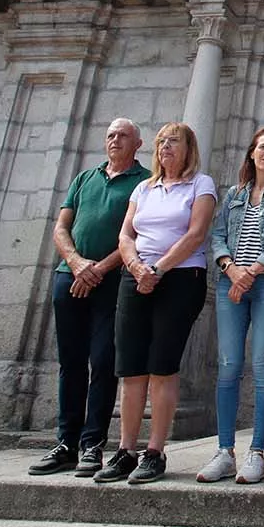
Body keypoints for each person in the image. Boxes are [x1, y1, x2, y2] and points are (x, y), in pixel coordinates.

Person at [94, 122, 215, 485]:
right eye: (161, 142)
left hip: (179, 279)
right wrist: (134, 265)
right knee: (130, 367)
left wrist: (158, 269)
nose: (165, 148)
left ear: (188, 148)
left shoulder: (200, 184)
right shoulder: (144, 187)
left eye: (173, 142)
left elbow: (196, 234)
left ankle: (155, 451)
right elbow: (126, 234)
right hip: (137, 277)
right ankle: (126, 450)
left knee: (162, 364)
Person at [29, 118, 150, 478]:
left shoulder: (143, 183)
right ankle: (65, 442)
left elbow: (138, 234)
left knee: (102, 362)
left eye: (123, 135)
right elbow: (61, 226)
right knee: (71, 363)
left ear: (138, 143)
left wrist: (98, 270)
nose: (115, 140)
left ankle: (92, 444)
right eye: (111, 135)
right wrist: (77, 263)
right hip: (69, 278)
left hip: (112, 283)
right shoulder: (85, 178)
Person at [196, 126, 264, 485]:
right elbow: (219, 234)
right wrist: (230, 268)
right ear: (252, 153)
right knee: (228, 365)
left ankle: (256, 452)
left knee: (263, 366)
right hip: (232, 283)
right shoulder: (234, 194)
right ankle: (224, 452)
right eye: (262, 147)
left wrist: (251, 273)